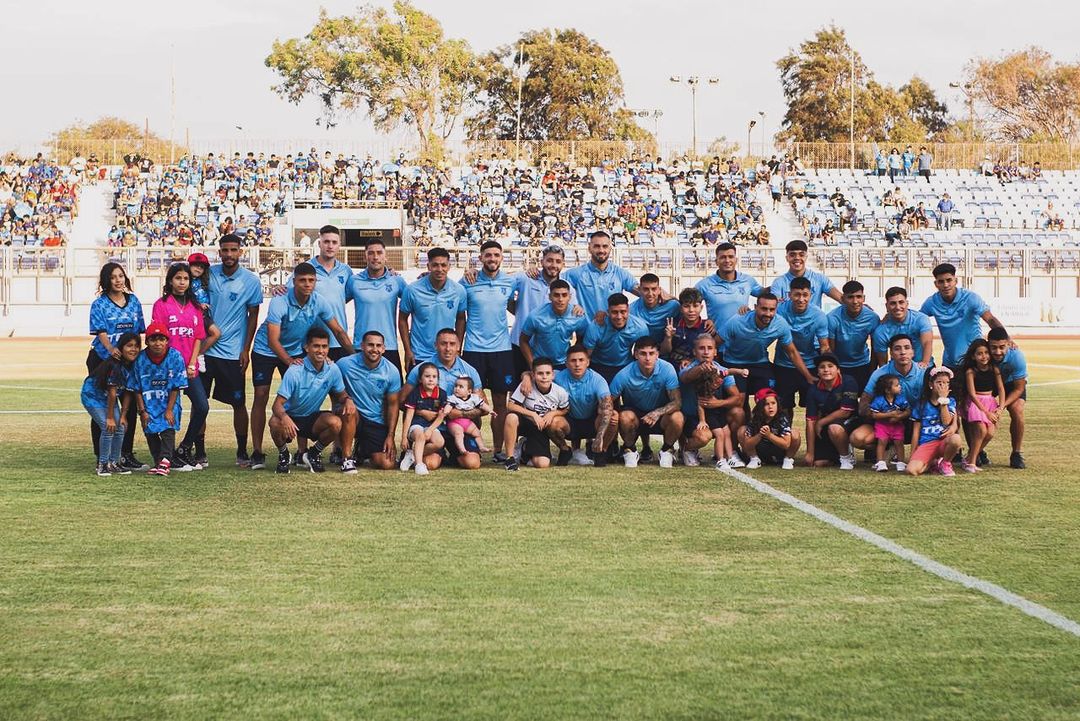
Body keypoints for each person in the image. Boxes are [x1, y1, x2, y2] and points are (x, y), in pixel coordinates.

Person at [249, 262, 353, 470]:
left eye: (311, 280)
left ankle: (303, 452)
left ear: (316, 282)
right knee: (261, 396)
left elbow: (339, 331)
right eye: (302, 280)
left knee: (300, 397)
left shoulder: (319, 302)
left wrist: (354, 356)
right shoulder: (279, 302)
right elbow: (273, 340)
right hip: (266, 350)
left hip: (294, 349)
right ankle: (258, 452)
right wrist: (289, 361)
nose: (307, 284)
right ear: (293, 282)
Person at [202, 234, 264, 467]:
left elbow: (253, 317)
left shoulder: (250, 280)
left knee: (238, 404)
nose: (228, 255)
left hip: (231, 353)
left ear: (241, 252)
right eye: (224, 250)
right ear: (219, 252)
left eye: (233, 250)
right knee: (201, 404)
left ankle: (241, 451)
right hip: (206, 352)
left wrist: (245, 349)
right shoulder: (208, 275)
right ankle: (199, 451)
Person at [152, 262, 216, 471]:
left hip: (189, 368)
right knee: (168, 411)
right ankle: (164, 455)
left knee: (202, 406)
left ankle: (185, 447)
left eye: (186, 279)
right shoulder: (161, 305)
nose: (182, 282)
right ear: (170, 280)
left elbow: (198, 337)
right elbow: (159, 337)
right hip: (167, 368)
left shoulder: (195, 307)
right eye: (178, 278)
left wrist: (192, 362)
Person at [268, 328, 355, 474]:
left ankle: (313, 454)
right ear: (307, 347)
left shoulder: (332, 369)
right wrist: (285, 418)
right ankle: (284, 454)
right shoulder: (295, 370)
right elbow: (277, 405)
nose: (321, 350)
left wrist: (348, 400)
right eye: (316, 346)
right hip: (291, 418)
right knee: (274, 422)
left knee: (336, 423)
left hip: (312, 419)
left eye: (324, 346)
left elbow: (341, 394)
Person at [87, 262, 146, 471]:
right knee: (103, 409)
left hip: (127, 363)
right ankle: (101, 455)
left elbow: (138, 332)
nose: (118, 280)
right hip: (103, 361)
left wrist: (134, 355)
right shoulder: (99, 304)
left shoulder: (134, 301)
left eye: (121, 276)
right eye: (113, 277)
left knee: (127, 409)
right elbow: (100, 331)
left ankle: (125, 454)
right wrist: (111, 348)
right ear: (106, 281)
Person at [460, 240, 517, 455]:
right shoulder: (468, 281)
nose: (492, 259)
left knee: (501, 402)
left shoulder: (510, 282)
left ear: (501, 258)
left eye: (496, 255)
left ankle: (498, 451)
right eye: (488, 255)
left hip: (501, 350)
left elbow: (517, 303)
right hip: (474, 349)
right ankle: (473, 447)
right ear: (481, 257)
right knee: (472, 401)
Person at [399, 328, 484, 470]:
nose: (448, 348)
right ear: (436, 345)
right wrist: (421, 412)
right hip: (430, 427)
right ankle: (428, 454)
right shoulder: (422, 370)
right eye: (443, 343)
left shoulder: (470, 371)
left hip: (458, 427)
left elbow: (483, 407)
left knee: (472, 463)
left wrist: (461, 414)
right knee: (431, 464)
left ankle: (453, 455)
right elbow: (402, 401)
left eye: (452, 344)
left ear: (458, 346)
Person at [717, 292, 814, 408]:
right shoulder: (737, 322)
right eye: (764, 309)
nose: (768, 313)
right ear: (755, 307)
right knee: (739, 403)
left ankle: (764, 425)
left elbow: (792, 352)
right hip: (734, 362)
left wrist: (808, 377)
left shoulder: (780, 324)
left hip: (760, 363)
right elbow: (715, 343)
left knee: (768, 400)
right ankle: (745, 424)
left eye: (772, 309)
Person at [277, 225, 355, 361]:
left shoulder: (346, 270)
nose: (330, 246)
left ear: (339, 245)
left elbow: (345, 297)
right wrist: (278, 289)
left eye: (334, 242)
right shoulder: (306, 269)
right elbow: (288, 293)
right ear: (319, 243)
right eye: (326, 242)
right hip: (311, 341)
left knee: (337, 381)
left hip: (338, 340)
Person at [507, 244, 581, 377]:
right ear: (542, 262)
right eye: (549, 260)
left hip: (549, 351)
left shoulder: (566, 288)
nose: (553, 265)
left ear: (563, 264)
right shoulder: (526, 279)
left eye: (558, 261)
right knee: (519, 389)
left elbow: (574, 313)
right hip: (521, 344)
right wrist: (518, 310)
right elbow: (501, 283)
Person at [610, 337, 684, 468]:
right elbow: (608, 400)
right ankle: (630, 450)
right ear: (636, 355)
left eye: (651, 353)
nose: (648, 358)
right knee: (624, 416)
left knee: (677, 417)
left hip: (660, 416)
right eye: (643, 353)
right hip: (635, 416)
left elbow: (677, 402)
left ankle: (667, 450)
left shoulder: (667, 369)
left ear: (657, 354)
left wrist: (657, 413)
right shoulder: (624, 374)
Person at [335, 330, 402, 473]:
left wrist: (390, 436)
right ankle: (346, 459)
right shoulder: (344, 364)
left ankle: (361, 450)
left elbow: (393, 405)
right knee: (349, 410)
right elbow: (330, 380)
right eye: (370, 345)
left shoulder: (391, 371)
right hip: (354, 416)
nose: (375, 349)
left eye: (379, 346)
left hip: (375, 421)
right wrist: (345, 399)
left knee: (386, 463)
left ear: (384, 348)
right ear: (362, 346)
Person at [920, 263, 1007, 372]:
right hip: (950, 362)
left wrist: (1006, 337)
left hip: (975, 360)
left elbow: (990, 319)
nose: (945, 285)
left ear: (955, 281)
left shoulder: (970, 298)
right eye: (941, 281)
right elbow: (918, 322)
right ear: (936, 284)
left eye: (949, 280)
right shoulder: (931, 303)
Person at [850, 335, 928, 457]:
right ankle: (888, 447)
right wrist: (885, 416)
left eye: (907, 348)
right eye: (897, 349)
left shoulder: (924, 374)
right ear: (891, 353)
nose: (903, 352)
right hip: (886, 421)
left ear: (913, 352)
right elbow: (863, 406)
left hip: (915, 421)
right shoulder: (880, 374)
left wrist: (903, 415)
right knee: (858, 438)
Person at [128, 322, 189, 477]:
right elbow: (137, 388)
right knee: (150, 430)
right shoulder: (140, 359)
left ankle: (165, 461)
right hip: (149, 403)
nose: (158, 343)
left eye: (161, 339)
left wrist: (169, 409)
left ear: (167, 341)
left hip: (169, 401)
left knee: (168, 428)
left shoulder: (175, 356)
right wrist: (142, 411)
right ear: (147, 341)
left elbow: (176, 386)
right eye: (153, 339)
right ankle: (158, 462)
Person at [678, 334, 746, 469]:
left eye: (709, 348)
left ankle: (730, 453)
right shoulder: (687, 368)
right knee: (704, 437)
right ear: (694, 352)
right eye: (701, 348)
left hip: (715, 413)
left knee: (738, 413)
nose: (706, 352)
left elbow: (737, 398)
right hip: (694, 417)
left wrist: (718, 403)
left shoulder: (720, 370)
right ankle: (686, 448)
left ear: (715, 351)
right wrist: (700, 369)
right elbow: (685, 378)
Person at [81, 332, 140, 476]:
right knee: (108, 428)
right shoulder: (115, 365)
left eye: (136, 346)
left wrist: (124, 415)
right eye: (129, 346)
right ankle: (102, 464)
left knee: (120, 427)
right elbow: (113, 392)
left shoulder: (132, 365)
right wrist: (109, 417)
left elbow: (128, 392)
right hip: (94, 397)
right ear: (121, 347)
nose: (133, 349)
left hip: (109, 398)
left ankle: (114, 462)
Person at [345, 239, 407, 372]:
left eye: (379, 253)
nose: (375, 257)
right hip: (361, 346)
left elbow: (415, 301)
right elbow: (336, 304)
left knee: (393, 392)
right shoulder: (354, 281)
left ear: (386, 256)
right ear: (365, 256)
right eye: (371, 253)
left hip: (388, 347)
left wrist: (427, 277)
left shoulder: (396, 281)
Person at [399, 247, 467, 368]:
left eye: (443, 265)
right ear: (428, 266)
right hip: (419, 354)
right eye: (435, 265)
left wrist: (457, 347)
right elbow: (402, 319)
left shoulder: (458, 290)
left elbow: (461, 319)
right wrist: (408, 350)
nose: (440, 269)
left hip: (447, 354)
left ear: (449, 266)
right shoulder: (412, 290)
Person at [502, 358, 573, 471]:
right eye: (540, 373)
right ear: (533, 375)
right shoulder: (527, 386)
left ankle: (524, 448)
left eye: (547, 373)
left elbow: (565, 409)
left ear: (553, 375)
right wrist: (532, 414)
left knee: (542, 464)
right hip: (526, 422)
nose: (544, 377)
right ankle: (509, 459)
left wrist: (553, 413)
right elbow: (510, 405)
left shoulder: (560, 392)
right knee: (511, 417)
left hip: (540, 428)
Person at [554, 345, 618, 467]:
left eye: (581, 360)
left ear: (588, 362)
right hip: (569, 421)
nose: (577, 364)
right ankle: (565, 450)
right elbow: (535, 374)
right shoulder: (557, 376)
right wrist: (526, 376)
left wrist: (599, 438)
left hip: (592, 422)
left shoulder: (598, 380)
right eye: (573, 361)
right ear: (566, 363)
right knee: (553, 422)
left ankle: (601, 452)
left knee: (613, 416)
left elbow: (608, 407)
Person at [774, 277, 830, 410]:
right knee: (783, 408)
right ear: (789, 295)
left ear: (811, 295)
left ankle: (814, 431)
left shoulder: (818, 315)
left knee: (814, 407)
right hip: (784, 365)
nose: (801, 299)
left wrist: (828, 367)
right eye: (797, 294)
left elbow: (824, 346)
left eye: (805, 295)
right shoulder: (779, 311)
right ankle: (786, 431)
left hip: (809, 364)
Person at [562, 230, 638, 319]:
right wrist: (572, 304)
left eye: (605, 246)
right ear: (589, 248)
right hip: (586, 330)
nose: (601, 250)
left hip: (613, 330)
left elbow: (643, 292)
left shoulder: (619, 273)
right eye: (597, 246)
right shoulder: (577, 273)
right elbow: (551, 284)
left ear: (610, 248)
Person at [803, 353, 859, 469]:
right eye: (822, 367)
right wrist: (810, 452)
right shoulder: (813, 389)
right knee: (818, 463)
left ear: (838, 370)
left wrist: (821, 422)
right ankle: (836, 454)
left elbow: (845, 411)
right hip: (827, 426)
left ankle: (846, 457)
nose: (826, 370)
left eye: (830, 366)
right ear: (817, 372)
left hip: (850, 420)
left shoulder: (849, 381)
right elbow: (810, 421)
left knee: (834, 428)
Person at [694, 242, 764, 332]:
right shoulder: (704, 285)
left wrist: (752, 313)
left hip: (742, 337)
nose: (727, 260)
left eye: (731, 257)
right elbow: (688, 306)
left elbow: (767, 295)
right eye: (723, 257)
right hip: (717, 340)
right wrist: (703, 321)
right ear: (716, 261)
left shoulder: (748, 280)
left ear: (736, 260)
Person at [519, 279, 588, 370]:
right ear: (550, 297)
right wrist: (532, 365)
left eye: (564, 295)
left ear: (569, 297)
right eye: (556, 295)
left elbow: (581, 339)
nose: (560, 299)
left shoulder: (577, 316)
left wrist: (572, 359)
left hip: (564, 363)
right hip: (540, 362)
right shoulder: (536, 316)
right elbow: (523, 340)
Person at [959, 339, 1006, 473]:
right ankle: (971, 463)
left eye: (986, 353)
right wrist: (986, 412)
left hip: (990, 402)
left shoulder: (994, 369)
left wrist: (1000, 408)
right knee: (981, 431)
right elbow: (972, 394)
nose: (984, 356)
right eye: (979, 354)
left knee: (990, 433)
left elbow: (1001, 389)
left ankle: (968, 458)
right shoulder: (971, 371)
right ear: (973, 356)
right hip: (976, 404)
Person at [906, 367, 962, 477]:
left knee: (956, 439)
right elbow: (916, 432)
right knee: (911, 470)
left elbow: (946, 421)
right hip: (927, 443)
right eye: (939, 383)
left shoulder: (950, 402)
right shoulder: (921, 404)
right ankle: (933, 463)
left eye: (946, 383)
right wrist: (912, 454)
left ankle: (945, 463)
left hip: (943, 442)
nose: (943, 386)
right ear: (931, 384)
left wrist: (943, 401)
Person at [583, 293, 651, 383]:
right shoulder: (596, 326)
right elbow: (586, 355)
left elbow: (645, 353)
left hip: (626, 366)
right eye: (614, 312)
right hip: (598, 366)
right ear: (608, 311)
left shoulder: (640, 327)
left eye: (623, 312)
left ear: (628, 310)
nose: (619, 317)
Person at [827, 280, 880, 391]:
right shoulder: (832, 318)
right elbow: (830, 349)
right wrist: (835, 370)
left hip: (862, 364)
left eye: (858, 297)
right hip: (840, 365)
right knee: (841, 400)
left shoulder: (872, 318)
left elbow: (876, 348)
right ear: (843, 299)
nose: (855, 301)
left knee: (864, 401)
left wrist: (872, 371)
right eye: (850, 297)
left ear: (863, 298)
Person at [399, 363, 449, 476]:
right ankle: (419, 464)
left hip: (431, 427)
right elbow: (409, 416)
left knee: (440, 442)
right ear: (420, 379)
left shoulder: (442, 394)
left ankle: (411, 455)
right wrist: (404, 437)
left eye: (434, 377)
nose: (431, 380)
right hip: (416, 426)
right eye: (427, 376)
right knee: (420, 435)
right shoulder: (415, 393)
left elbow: (441, 416)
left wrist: (430, 430)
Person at [987, 327, 1027, 469]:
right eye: (994, 348)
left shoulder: (1017, 357)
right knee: (974, 411)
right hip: (989, 381)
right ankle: (978, 452)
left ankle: (1016, 453)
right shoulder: (983, 353)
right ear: (988, 344)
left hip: (1011, 384)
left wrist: (1002, 406)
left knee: (1017, 410)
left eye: (1002, 347)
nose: (998, 352)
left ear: (1009, 344)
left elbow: (1019, 388)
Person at [768, 240, 843, 308]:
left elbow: (841, 299)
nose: (797, 258)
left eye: (801, 255)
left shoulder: (820, 279)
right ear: (787, 258)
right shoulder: (778, 282)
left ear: (806, 257)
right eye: (792, 255)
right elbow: (773, 306)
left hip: (814, 322)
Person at [739, 388, 800, 470]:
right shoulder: (754, 419)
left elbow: (786, 444)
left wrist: (769, 435)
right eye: (766, 404)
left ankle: (788, 459)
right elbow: (747, 445)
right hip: (760, 449)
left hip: (778, 449)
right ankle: (754, 458)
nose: (771, 407)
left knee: (795, 434)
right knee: (742, 430)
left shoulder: (782, 418)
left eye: (773, 403)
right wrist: (760, 435)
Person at [873, 287, 934, 367]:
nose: (897, 307)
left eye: (901, 302)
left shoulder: (921, 319)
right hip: (897, 371)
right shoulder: (881, 331)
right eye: (893, 303)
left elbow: (927, 343)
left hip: (923, 367)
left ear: (907, 304)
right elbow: (883, 363)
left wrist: (925, 363)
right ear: (887, 306)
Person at [868, 374, 910, 472]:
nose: (900, 387)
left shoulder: (900, 398)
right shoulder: (879, 400)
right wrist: (890, 414)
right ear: (887, 390)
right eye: (897, 385)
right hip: (882, 425)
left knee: (899, 443)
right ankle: (880, 462)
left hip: (897, 425)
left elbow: (908, 411)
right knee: (882, 442)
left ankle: (900, 463)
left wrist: (899, 417)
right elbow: (874, 415)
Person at [661, 287, 711, 368]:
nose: (691, 310)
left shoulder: (707, 327)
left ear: (701, 308)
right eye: (686, 306)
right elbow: (664, 351)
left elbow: (711, 354)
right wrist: (668, 338)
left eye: (695, 306)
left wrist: (691, 361)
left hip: (697, 369)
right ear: (681, 308)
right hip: (673, 368)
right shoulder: (673, 325)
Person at [445, 376, 494, 454]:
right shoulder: (453, 398)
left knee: (477, 433)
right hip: (455, 423)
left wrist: (490, 410)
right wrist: (446, 411)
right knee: (459, 434)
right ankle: (462, 449)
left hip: (467, 422)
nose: (457, 388)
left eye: (461, 387)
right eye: (456, 386)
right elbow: (449, 405)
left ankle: (481, 447)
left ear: (469, 391)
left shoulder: (473, 398)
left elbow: (482, 405)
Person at [629, 273, 682, 342]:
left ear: (659, 290)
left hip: (667, 347)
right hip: (644, 349)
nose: (650, 294)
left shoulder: (673, 306)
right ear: (639, 290)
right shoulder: (632, 310)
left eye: (653, 289)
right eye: (646, 289)